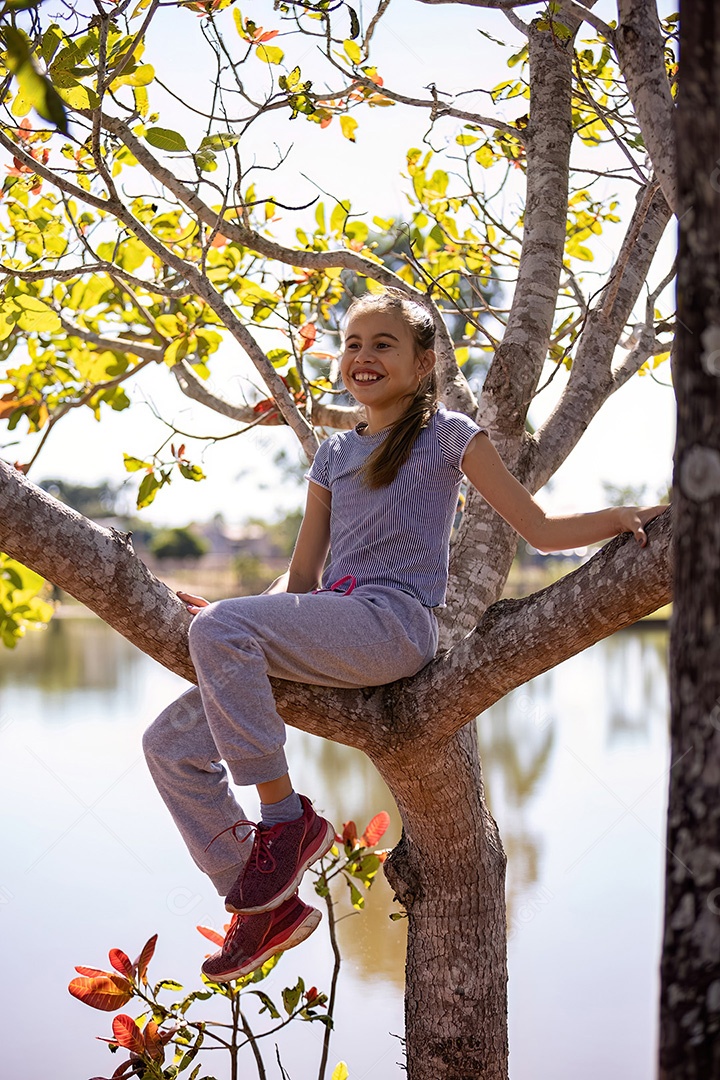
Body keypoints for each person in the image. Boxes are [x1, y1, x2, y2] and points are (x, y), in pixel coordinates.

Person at [143, 290, 665, 982]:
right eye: (353, 344)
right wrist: (230, 622)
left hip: (393, 626)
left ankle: (283, 816)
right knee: (169, 746)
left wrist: (622, 515)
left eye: (383, 344)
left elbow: (538, 529)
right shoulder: (331, 454)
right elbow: (300, 580)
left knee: (224, 631)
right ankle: (265, 907)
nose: (363, 356)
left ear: (423, 365)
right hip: (328, 621)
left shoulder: (446, 435)